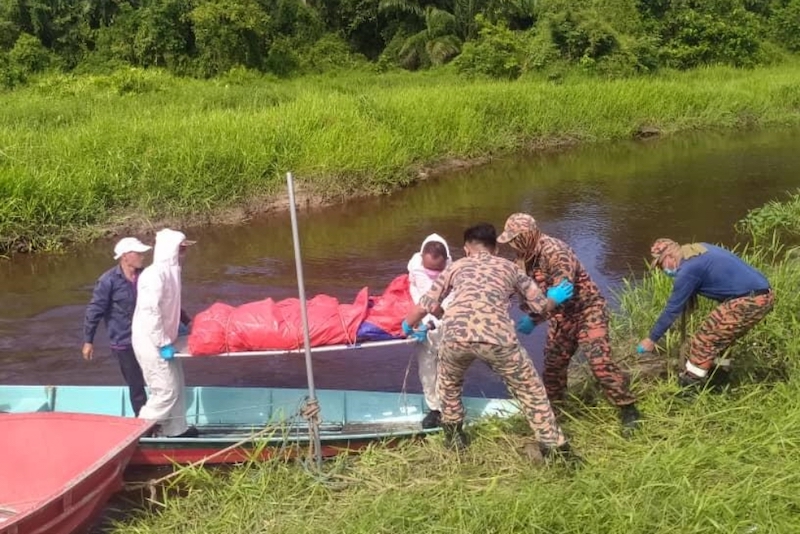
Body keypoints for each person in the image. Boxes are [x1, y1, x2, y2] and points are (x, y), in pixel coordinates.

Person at [403, 223, 580, 462]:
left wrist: (408, 324)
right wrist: (554, 299)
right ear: (496, 249)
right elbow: (540, 307)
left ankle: (454, 437)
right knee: (530, 390)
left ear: (466, 249)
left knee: (449, 385)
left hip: (455, 337)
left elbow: (426, 304)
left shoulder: (455, 267)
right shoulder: (511, 268)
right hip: (498, 338)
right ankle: (555, 448)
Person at [497, 213, 641, 435]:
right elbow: (526, 292)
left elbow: (561, 291)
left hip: (587, 311)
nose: (512, 245)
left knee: (599, 362)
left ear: (527, 235)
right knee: (553, 367)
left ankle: (628, 408)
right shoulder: (523, 258)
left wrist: (539, 313)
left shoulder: (555, 251)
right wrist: (532, 317)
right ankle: (555, 412)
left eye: (515, 239)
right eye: (510, 241)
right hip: (560, 316)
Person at [638, 238, 774, 394]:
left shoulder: (688, 270)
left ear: (669, 257)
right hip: (758, 294)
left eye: (661, 265)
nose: (662, 270)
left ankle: (690, 389)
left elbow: (672, 309)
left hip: (750, 300)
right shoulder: (696, 250)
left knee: (704, 340)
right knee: (719, 339)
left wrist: (651, 339)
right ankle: (719, 380)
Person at [132, 228, 198, 438]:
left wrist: (182, 328)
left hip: (167, 339)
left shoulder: (173, 272)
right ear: (171, 250)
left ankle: (176, 430)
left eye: (184, 250)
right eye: (181, 249)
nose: (184, 254)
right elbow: (150, 311)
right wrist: (161, 342)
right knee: (165, 390)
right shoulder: (154, 275)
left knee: (177, 385)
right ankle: (137, 431)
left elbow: (171, 307)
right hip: (150, 341)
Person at [83, 237, 152, 416]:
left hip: (147, 338)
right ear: (124, 256)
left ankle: (159, 415)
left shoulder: (147, 276)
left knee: (156, 378)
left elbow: (164, 301)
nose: (142, 256)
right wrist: (88, 341)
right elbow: (95, 310)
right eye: (138, 253)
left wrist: (186, 322)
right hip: (123, 341)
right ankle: (143, 421)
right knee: (135, 384)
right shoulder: (108, 281)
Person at [407, 233, 453, 429]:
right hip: (423, 328)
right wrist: (417, 322)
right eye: (429, 269)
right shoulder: (415, 267)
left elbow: (449, 308)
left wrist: (432, 323)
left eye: (437, 270)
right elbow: (415, 293)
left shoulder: (453, 273)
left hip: (446, 328)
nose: (433, 274)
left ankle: (449, 410)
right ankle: (434, 409)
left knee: (447, 370)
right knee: (427, 370)